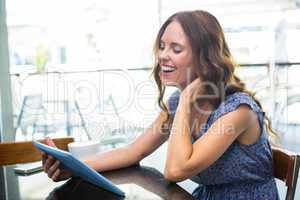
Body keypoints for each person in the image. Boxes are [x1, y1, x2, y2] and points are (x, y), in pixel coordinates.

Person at [42, 10, 279, 199]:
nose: (163, 55)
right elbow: (132, 152)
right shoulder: (177, 103)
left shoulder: (238, 112)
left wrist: (186, 99)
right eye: (162, 46)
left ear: (206, 59)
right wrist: (73, 167)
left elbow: (175, 171)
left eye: (176, 49)